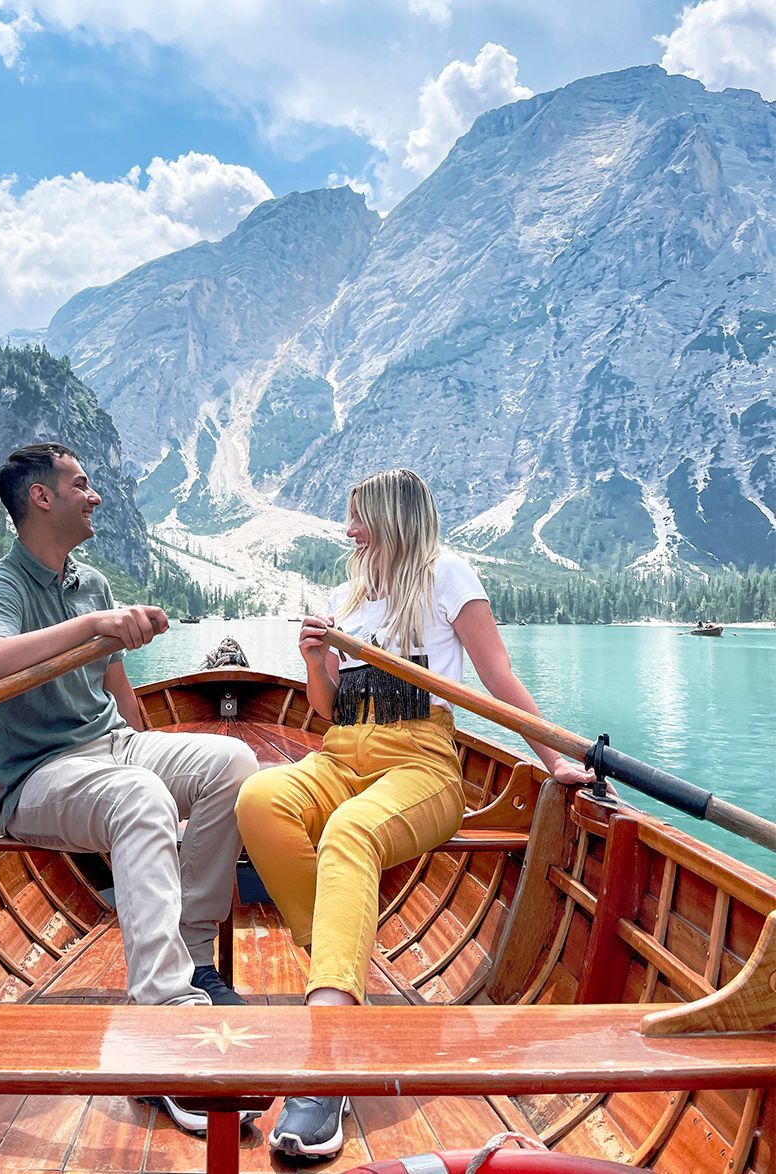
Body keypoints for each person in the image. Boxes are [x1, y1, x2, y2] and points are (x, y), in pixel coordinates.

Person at [236, 469, 595, 1160]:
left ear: (394, 518)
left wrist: (554, 761)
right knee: (258, 798)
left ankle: (329, 1062)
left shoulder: (448, 575)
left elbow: (497, 678)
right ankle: (336, 965)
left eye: (358, 518)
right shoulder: (361, 597)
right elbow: (323, 709)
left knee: (349, 834)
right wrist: (316, 658)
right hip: (342, 753)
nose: (347, 532)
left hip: (421, 764)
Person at [0, 443, 260, 1135]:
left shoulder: (90, 582)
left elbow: (115, 685)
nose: (94, 496)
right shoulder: (0, 587)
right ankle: (166, 1024)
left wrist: (144, 745)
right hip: (39, 776)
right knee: (139, 798)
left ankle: (191, 958)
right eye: (82, 484)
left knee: (232, 764)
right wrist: (92, 627)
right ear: (42, 498)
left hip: (112, 747)